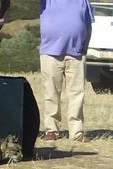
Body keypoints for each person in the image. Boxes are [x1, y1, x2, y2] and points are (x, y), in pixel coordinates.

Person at [40, 0, 94, 142]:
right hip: (50, 52)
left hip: (77, 53)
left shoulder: (83, 1)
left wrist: (85, 49)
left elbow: (88, 26)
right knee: (51, 92)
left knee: (77, 93)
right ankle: (51, 130)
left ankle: (77, 132)